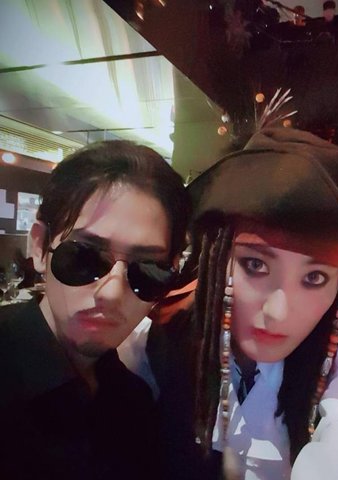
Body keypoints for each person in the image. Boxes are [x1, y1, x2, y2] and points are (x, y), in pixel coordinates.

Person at [145, 127, 338, 479]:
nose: (278, 312)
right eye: (255, 265)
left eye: (314, 278)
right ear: (217, 259)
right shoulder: (162, 345)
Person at [0, 140, 191, 480]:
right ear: (40, 247)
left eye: (147, 270)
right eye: (85, 256)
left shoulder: (135, 402)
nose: (112, 293)